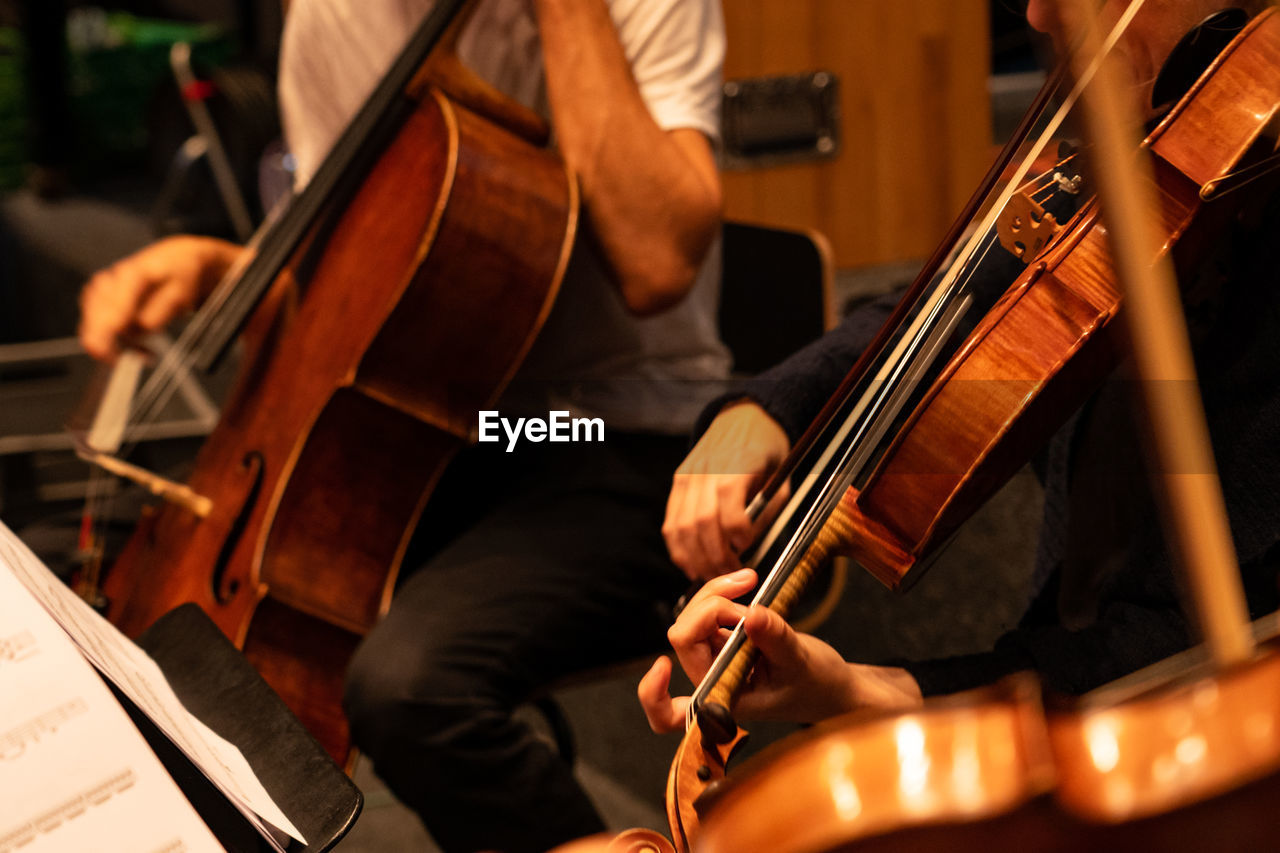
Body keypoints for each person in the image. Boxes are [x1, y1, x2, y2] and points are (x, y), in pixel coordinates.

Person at [79, 1, 728, 850]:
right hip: (445, 429)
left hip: (599, 431)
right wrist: (219, 269)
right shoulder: (337, 11)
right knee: (182, 651)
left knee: (411, 685)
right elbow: (355, 281)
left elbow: (657, 261)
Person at [642, 0, 1280, 733]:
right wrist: (770, 407)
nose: (1041, 15)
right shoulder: (1167, 145)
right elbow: (968, 295)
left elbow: (1180, 652)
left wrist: (880, 690)